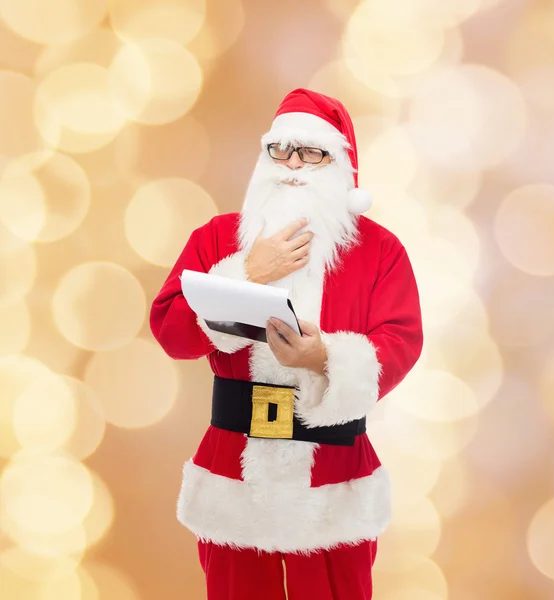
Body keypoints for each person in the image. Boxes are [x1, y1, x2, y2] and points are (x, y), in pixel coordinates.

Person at [149, 88, 424, 600]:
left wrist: (324, 358)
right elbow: (170, 330)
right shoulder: (217, 239)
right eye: (281, 150)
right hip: (235, 479)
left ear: (339, 163)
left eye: (311, 152)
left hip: (334, 481)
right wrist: (248, 273)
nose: (293, 165)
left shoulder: (380, 250)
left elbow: (402, 340)